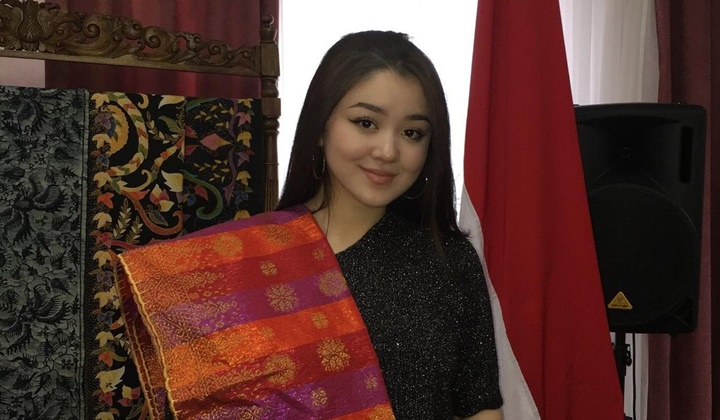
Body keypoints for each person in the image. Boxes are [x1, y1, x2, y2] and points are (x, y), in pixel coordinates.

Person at [116, 31, 502, 420]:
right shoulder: (236, 266)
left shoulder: (449, 262)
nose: (388, 151)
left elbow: (480, 407)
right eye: (366, 123)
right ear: (320, 127)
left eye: (412, 133)